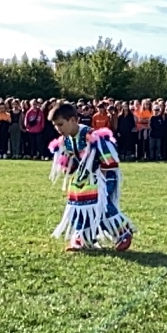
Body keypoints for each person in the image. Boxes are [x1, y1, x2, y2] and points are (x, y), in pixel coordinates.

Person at [47, 103, 135, 252]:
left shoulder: (91, 136)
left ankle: (122, 232)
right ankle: (83, 238)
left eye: (61, 124)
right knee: (77, 205)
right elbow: (73, 164)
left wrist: (102, 183)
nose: (58, 129)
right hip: (85, 178)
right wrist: (68, 165)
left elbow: (109, 161)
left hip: (104, 176)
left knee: (100, 204)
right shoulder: (67, 140)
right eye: (55, 126)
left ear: (73, 120)